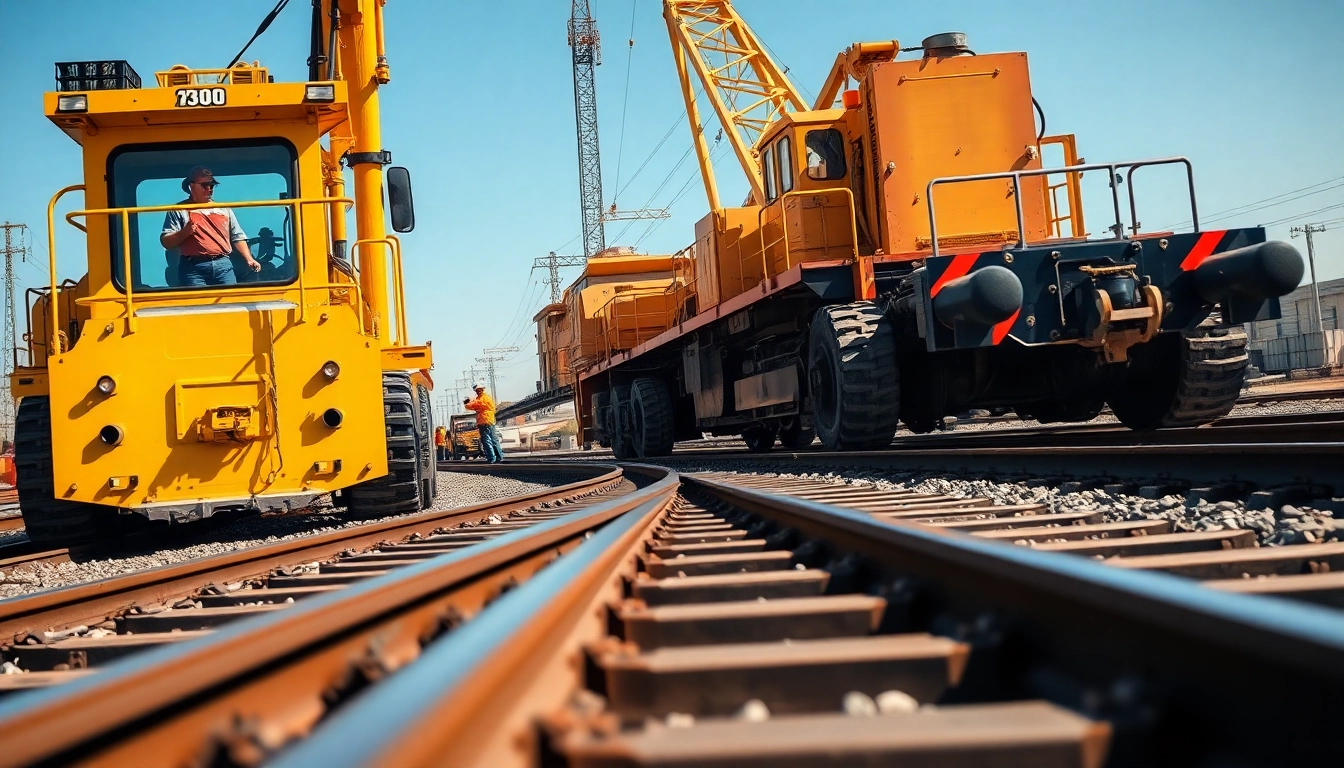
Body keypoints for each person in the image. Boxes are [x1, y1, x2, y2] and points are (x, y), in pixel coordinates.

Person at [161, 166, 261, 287]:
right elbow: (167, 242)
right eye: (204, 185)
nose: (209, 189)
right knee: (198, 304)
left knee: (229, 302)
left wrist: (249, 259)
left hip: (223, 265)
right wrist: (185, 232)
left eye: (212, 185)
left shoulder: (223, 209)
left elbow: (237, 236)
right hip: (193, 268)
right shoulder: (178, 210)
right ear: (191, 186)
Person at [465, 384, 504, 463]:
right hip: (489, 421)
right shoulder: (485, 398)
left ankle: (491, 458)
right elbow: (472, 406)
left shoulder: (482, 399)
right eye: (477, 390)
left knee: (487, 441)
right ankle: (499, 457)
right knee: (493, 440)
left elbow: (470, 405)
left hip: (484, 421)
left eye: (478, 390)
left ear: (481, 390)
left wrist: (468, 401)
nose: (477, 391)